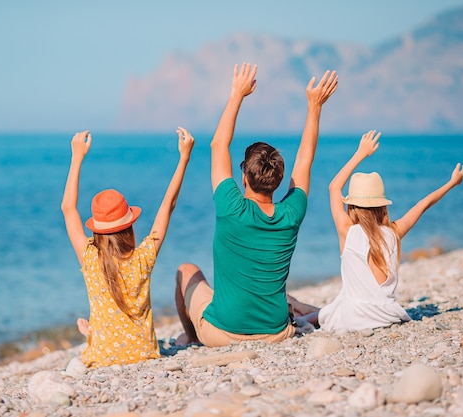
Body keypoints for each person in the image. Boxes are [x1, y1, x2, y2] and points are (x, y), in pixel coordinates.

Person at [174, 63, 338, 346]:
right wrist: (315, 106)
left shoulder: (230, 207)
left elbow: (218, 146)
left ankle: (191, 338)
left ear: (244, 177)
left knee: (186, 270)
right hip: (276, 332)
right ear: (280, 180)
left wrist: (237, 94)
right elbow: (305, 159)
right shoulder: (292, 212)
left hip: (222, 334)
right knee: (279, 296)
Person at [299, 130, 463, 331]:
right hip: (387, 315)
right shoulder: (394, 232)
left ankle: (296, 322)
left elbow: (334, 187)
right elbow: (423, 205)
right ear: (382, 206)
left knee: (325, 312)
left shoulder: (347, 231)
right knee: (334, 305)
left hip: (353, 317)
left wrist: (361, 153)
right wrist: (451, 183)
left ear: (351, 206)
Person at [61, 127, 195, 367]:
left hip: (102, 358)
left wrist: (76, 158)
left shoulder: (90, 258)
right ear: (129, 227)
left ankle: (92, 333)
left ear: (97, 230)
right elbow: (168, 206)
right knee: (98, 324)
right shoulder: (143, 258)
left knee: (93, 334)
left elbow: (68, 209)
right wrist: (184, 158)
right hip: (144, 353)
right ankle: (92, 331)